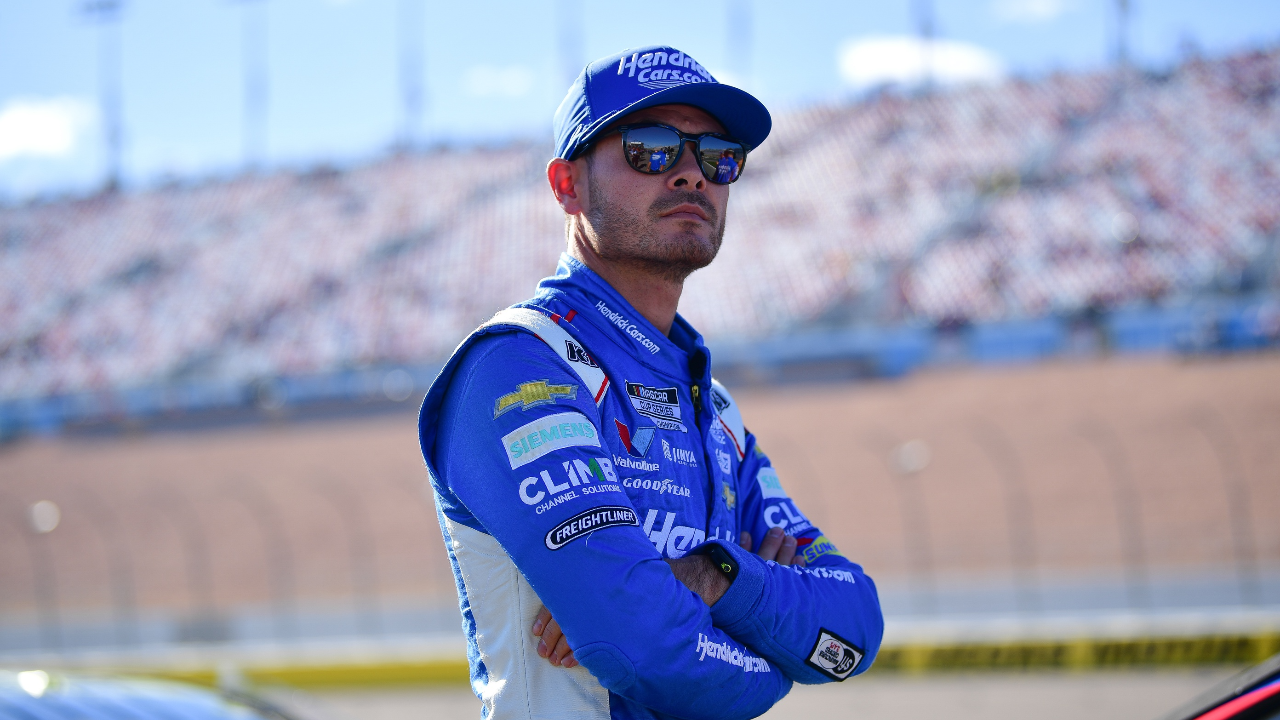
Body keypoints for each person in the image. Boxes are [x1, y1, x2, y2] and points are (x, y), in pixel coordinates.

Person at [417, 45, 883, 720]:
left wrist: (716, 573)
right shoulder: (520, 366)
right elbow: (640, 646)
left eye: (718, 156)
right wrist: (780, 655)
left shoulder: (714, 408)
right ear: (567, 185)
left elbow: (854, 630)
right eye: (651, 149)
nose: (692, 173)